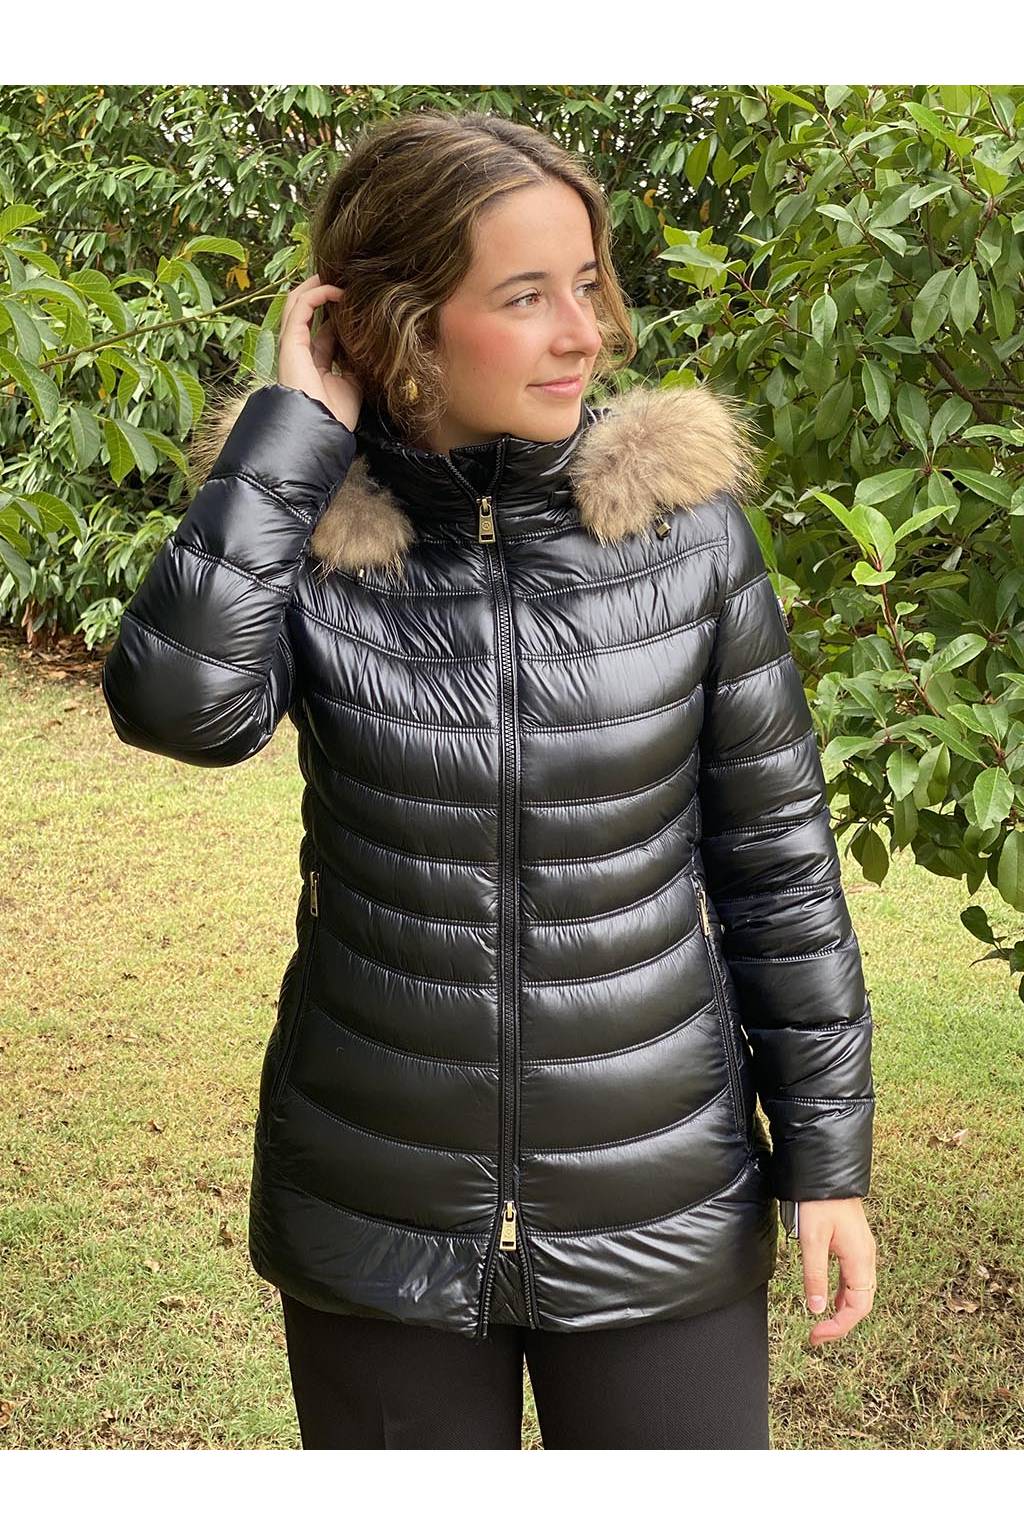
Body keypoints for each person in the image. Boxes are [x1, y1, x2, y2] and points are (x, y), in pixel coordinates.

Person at [100, 108, 878, 1450]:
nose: (586, 333)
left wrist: (826, 1163)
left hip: (661, 1204)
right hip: (378, 1211)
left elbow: (780, 873)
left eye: (587, 284)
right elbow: (181, 711)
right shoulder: (312, 540)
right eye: (526, 297)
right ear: (399, 328)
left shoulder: (687, 535)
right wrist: (290, 440)